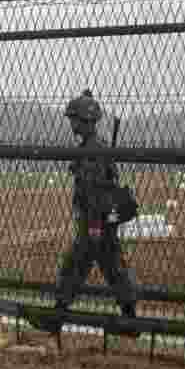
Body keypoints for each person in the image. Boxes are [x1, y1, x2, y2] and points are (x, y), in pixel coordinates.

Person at [33, 89, 139, 336]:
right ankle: (130, 320)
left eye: (75, 119)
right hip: (100, 220)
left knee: (76, 267)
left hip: (95, 220)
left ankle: (57, 317)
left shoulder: (92, 150)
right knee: (112, 269)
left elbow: (94, 193)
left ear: (85, 121)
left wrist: (93, 227)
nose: (72, 124)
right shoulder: (93, 146)